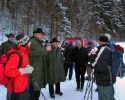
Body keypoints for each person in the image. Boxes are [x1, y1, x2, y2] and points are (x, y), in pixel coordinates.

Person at [4, 33, 34, 100]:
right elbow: (8, 72)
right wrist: (25, 70)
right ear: (24, 43)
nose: (30, 43)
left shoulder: (24, 52)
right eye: (29, 41)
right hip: (15, 90)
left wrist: (27, 68)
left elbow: (21, 66)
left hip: (23, 86)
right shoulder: (16, 55)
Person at [29, 28, 51, 100]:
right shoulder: (31, 41)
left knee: (37, 85)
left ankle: (36, 97)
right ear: (36, 34)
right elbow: (29, 53)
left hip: (39, 68)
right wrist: (45, 50)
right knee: (33, 86)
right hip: (33, 68)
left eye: (43, 35)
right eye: (41, 35)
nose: (43, 36)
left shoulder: (39, 43)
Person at [92, 35, 116, 100]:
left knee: (104, 97)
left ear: (101, 41)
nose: (98, 41)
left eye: (99, 40)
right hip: (109, 77)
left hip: (104, 78)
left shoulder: (104, 49)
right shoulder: (110, 47)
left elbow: (100, 66)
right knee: (109, 96)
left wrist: (92, 64)